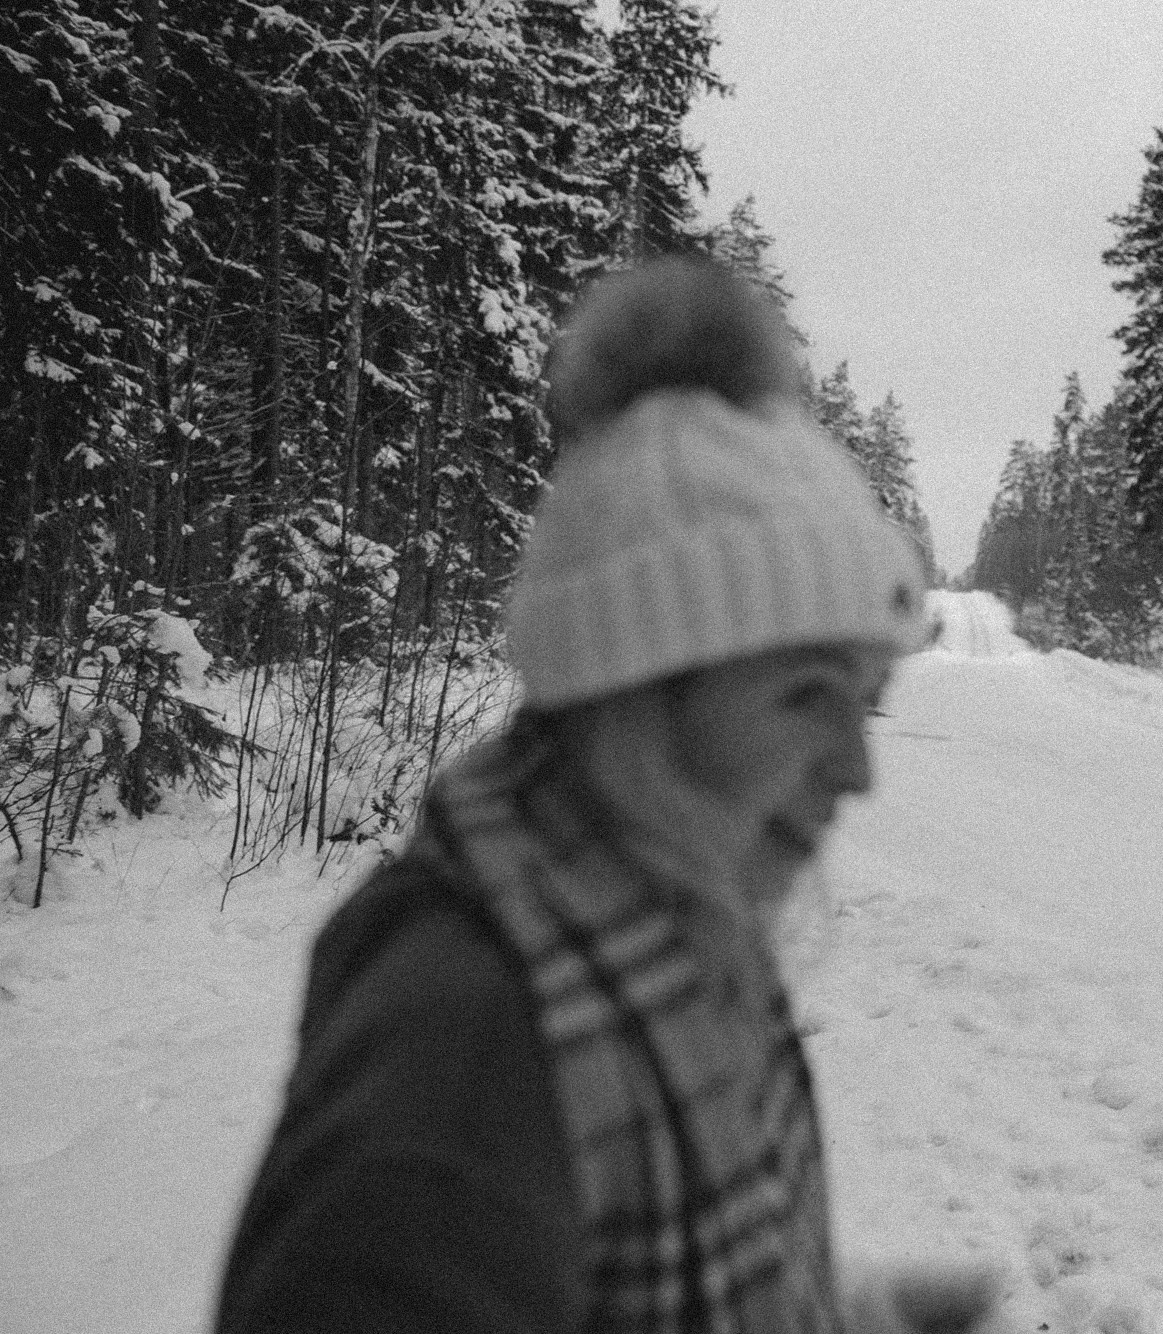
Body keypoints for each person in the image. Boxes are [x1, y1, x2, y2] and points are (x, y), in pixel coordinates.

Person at [217, 256, 1000, 1334]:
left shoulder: (663, 908)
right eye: (801, 694)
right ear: (633, 696)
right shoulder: (464, 1063)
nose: (855, 773)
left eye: (861, 701)